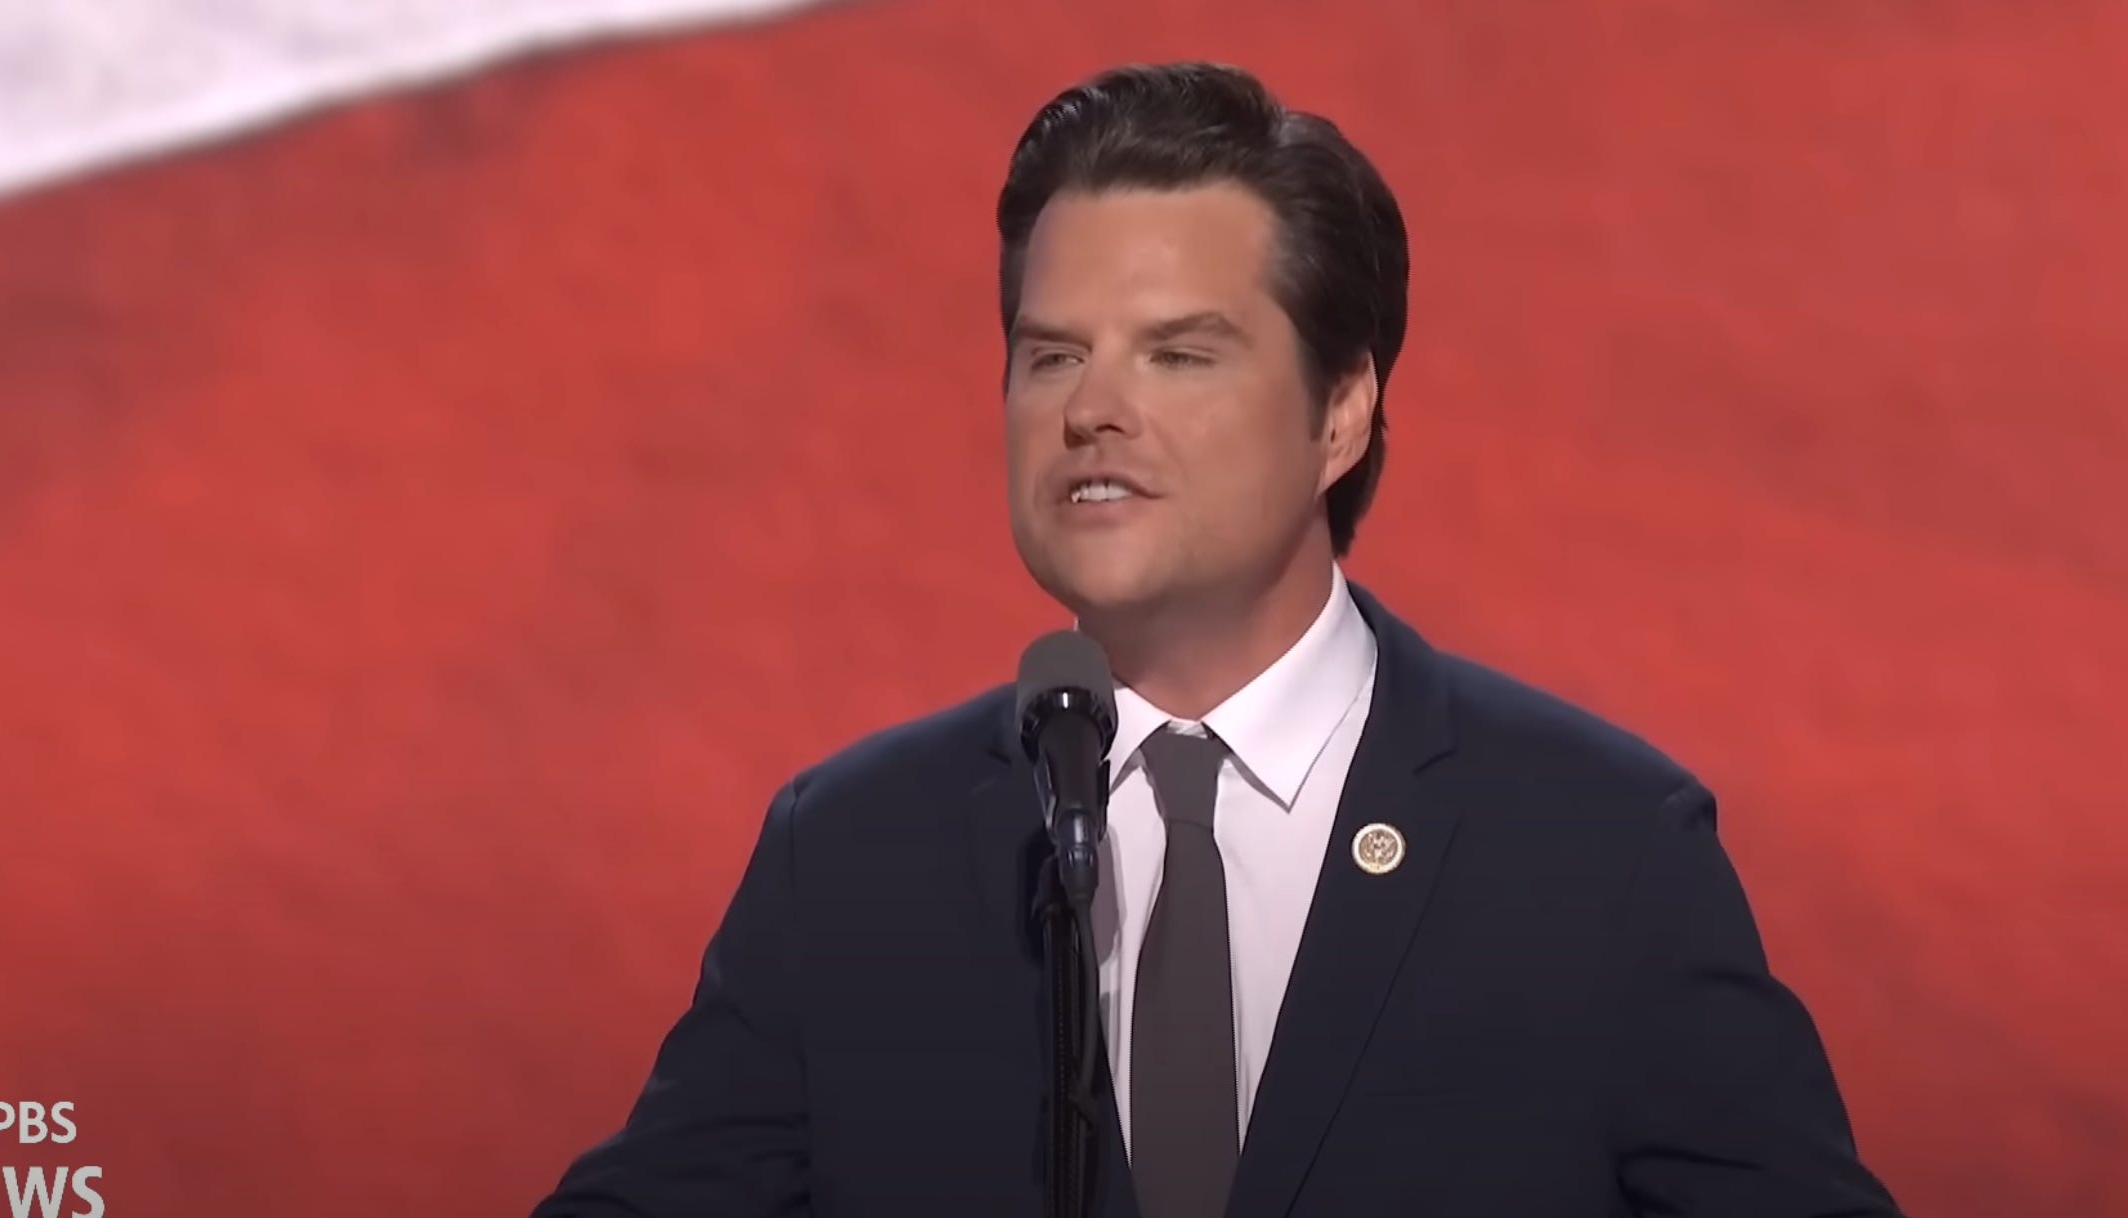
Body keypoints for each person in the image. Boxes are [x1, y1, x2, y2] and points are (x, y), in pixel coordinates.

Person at [527, 61, 1902, 1218]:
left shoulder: (1594, 851)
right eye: (1051, 355)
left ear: (1339, 412)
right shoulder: (850, 856)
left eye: (1178, 354)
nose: (1092, 410)